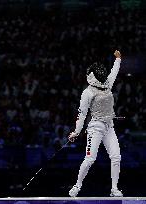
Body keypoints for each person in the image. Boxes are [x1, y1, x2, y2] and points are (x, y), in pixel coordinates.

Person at [68, 50, 123, 197]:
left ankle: (114, 189)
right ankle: (77, 186)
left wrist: (118, 59)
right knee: (90, 158)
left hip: (109, 127)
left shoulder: (107, 84)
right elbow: (82, 114)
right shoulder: (87, 93)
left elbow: (114, 73)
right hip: (95, 128)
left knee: (116, 157)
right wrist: (77, 132)